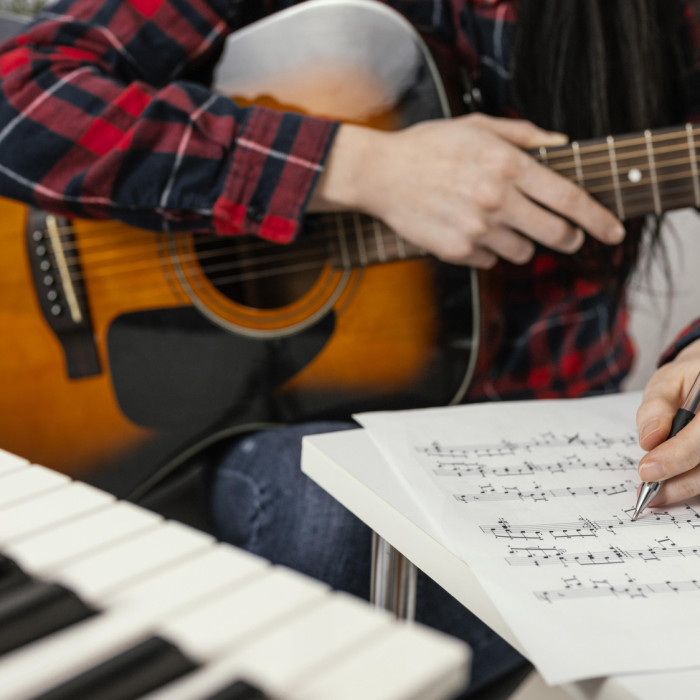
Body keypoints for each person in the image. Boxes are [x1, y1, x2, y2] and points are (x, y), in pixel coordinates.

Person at [1, 0, 700, 694]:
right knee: (337, 527)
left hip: (529, 422)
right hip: (222, 410)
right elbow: (19, 92)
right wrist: (358, 167)